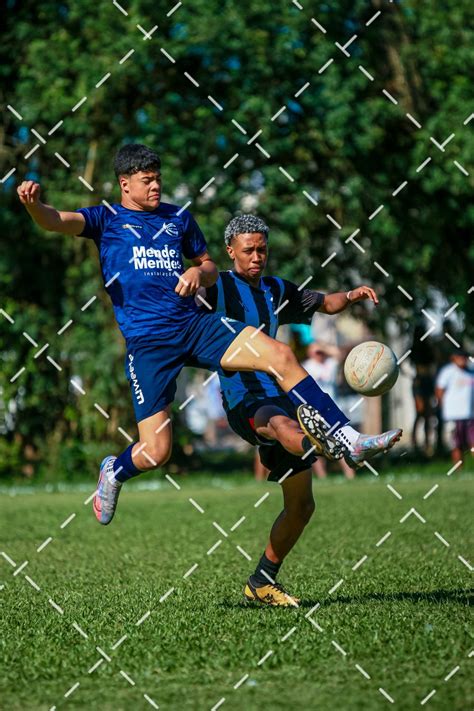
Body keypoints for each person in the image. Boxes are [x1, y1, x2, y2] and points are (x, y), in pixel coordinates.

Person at [17, 143, 353, 527]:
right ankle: (115, 471)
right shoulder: (105, 218)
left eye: (158, 178)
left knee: (278, 353)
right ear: (125, 184)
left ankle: (342, 432)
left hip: (193, 325)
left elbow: (209, 266)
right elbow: (55, 220)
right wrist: (32, 206)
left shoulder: (178, 218)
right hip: (149, 344)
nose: (156, 186)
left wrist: (198, 273)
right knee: (156, 451)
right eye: (147, 181)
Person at [198, 214, 402, 606]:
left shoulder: (275, 289)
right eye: (248, 250)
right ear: (230, 251)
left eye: (262, 249)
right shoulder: (217, 286)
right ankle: (328, 442)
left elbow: (324, 302)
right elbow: (183, 298)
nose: (257, 257)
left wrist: (352, 296)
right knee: (277, 424)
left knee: (302, 505)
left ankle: (261, 581)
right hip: (244, 397)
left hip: (282, 392)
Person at [302, 343, 355, 480]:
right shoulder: (307, 366)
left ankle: (350, 474)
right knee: (318, 443)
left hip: (332, 409)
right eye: (316, 352)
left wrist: (324, 348)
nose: (319, 354)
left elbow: (340, 355)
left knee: (341, 442)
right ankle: (322, 477)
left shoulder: (330, 363)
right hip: (315, 411)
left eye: (320, 352)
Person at [435, 350, 474, 463]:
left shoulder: (471, 371)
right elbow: (439, 390)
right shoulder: (448, 372)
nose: (463, 359)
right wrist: (442, 406)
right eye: (460, 357)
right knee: (456, 444)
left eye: (465, 357)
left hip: (470, 414)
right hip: (453, 415)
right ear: (454, 358)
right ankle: (458, 469)